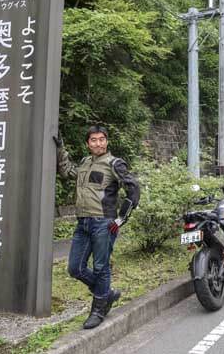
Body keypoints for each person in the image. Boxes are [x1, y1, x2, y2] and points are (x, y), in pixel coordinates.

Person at [54, 126, 140, 329]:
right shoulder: (85, 163)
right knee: (75, 268)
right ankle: (106, 293)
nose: (98, 143)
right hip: (83, 222)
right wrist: (60, 148)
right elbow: (67, 171)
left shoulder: (114, 164)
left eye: (102, 139)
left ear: (107, 142)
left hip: (104, 223)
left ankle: (99, 310)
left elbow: (133, 189)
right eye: (94, 140)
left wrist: (120, 220)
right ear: (88, 143)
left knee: (101, 267)